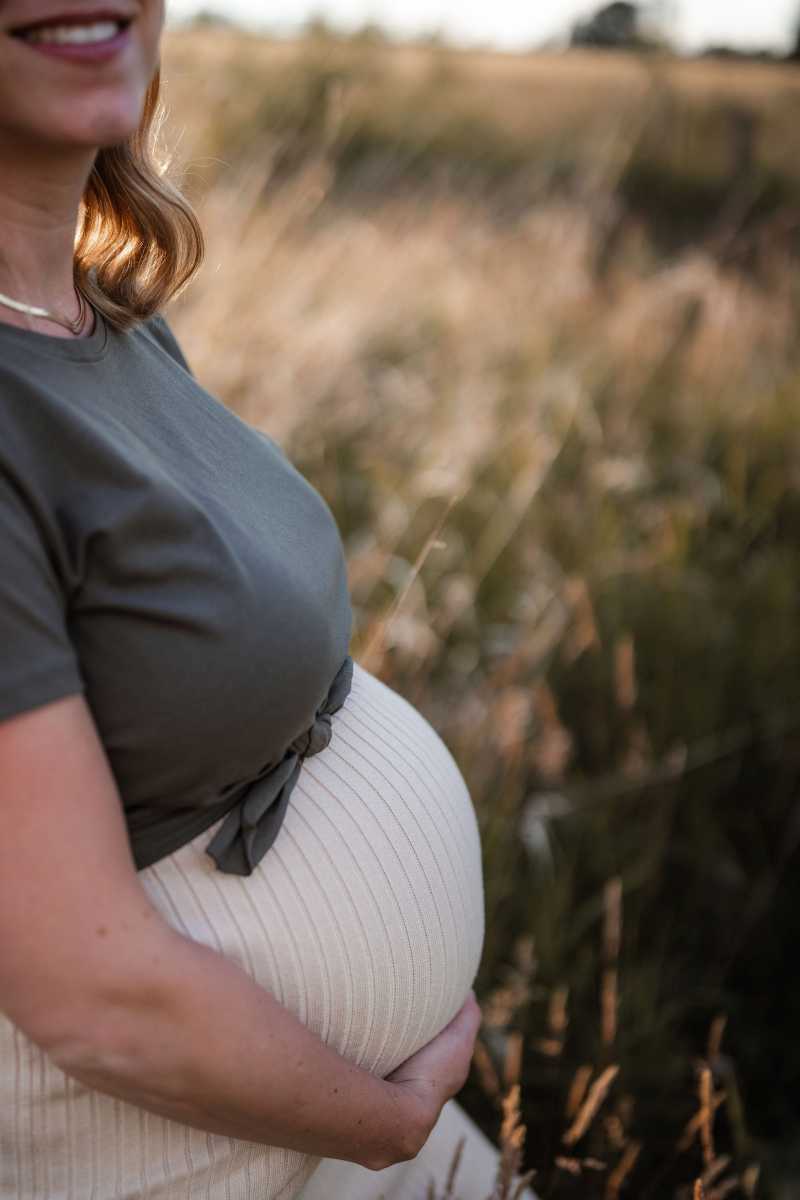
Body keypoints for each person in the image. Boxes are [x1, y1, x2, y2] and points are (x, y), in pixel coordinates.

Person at [0, 3, 534, 1197]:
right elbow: (84, 995)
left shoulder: (100, 312)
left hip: (310, 1128)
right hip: (160, 1153)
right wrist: (378, 1118)